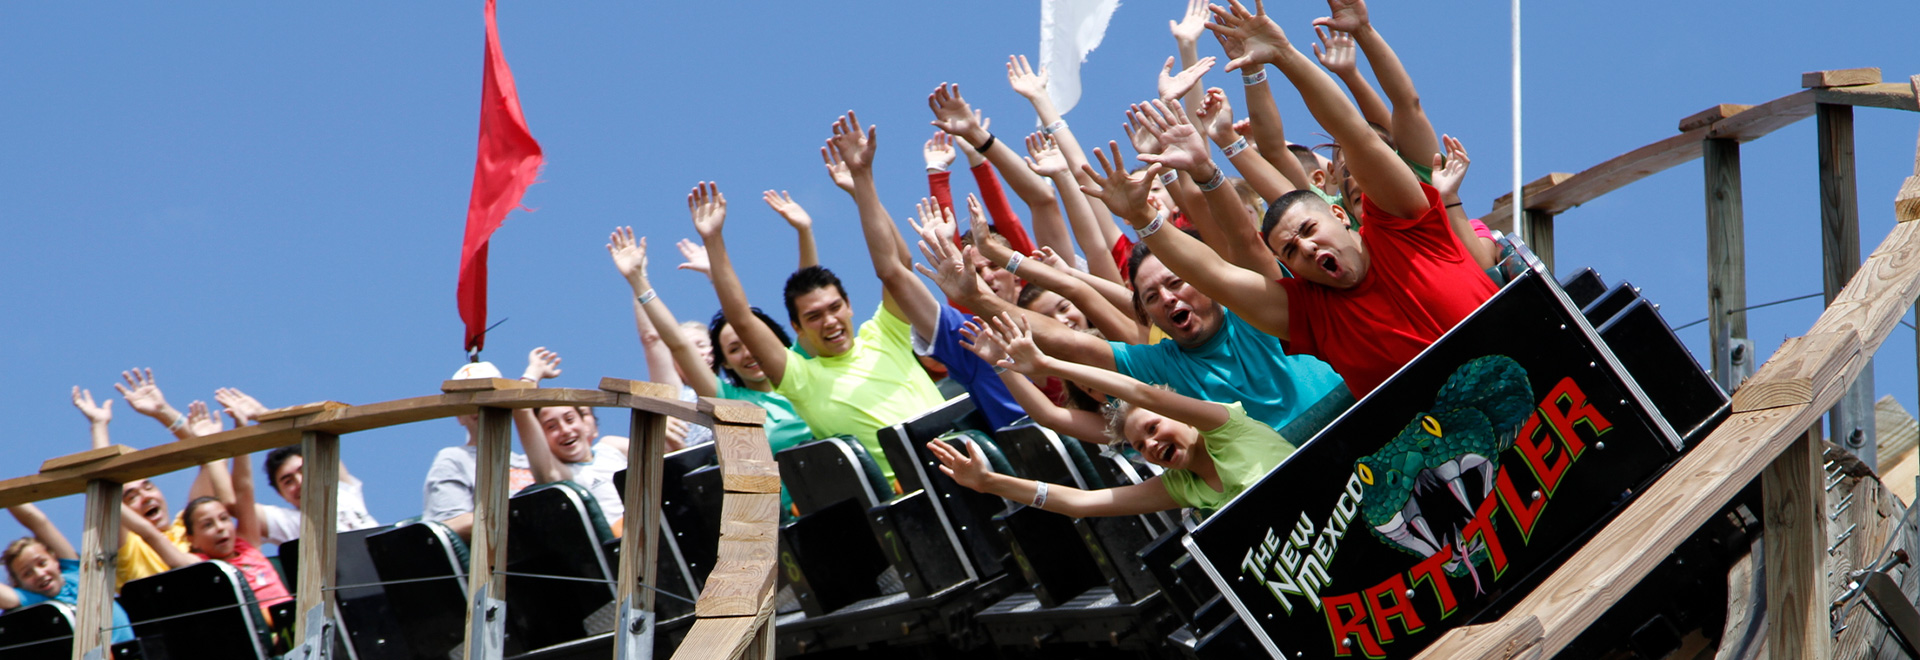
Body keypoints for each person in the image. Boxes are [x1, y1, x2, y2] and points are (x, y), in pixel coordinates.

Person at [1071, 3, 1495, 398]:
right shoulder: (1312, 314)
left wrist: (1285, 55)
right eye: (1290, 251)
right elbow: (1215, 275)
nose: (1307, 248)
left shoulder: (1406, 225)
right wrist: (1142, 216)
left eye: (1309, 231)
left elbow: (1357, 134)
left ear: (1338, 212)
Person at [919, 217, 1348, 437]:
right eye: (1151, 297)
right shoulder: (1161, 366)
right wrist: (977, 299)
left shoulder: (1259, 309)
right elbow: (1070, 340)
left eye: (1175, 283)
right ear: (1145, 315)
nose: (1167, 299)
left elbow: (1243, 236)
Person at [694, 173, 945, 482]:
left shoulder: (884, 332)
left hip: (968, 457)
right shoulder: (801, 378)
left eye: (835, 308)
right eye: (813, 317)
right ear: (797, 327)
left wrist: (861, 187)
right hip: (911, 494)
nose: (829, 321)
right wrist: (713, 240)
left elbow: (898, 265)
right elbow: (742, 321)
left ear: (849, 305)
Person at [930, 314, 1294, 515]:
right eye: (1140, 444)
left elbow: (1139, 391)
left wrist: (1045, 363)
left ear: (1183, 416)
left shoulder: (1225, 425)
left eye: (1153, 427)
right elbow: (1082, 503)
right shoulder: (1180, 486)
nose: (1150, 444)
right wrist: (991, 482)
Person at [609, 226, 815, 518]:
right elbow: (676, 345)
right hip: (792, 525)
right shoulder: (730, 401)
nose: (748, 352)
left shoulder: (801, 365)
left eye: (751, 339)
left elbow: (809, 296)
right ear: (725, 363)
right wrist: (638, 282)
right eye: (733, 349)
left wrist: (803, 230)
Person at [421, 350, 572, 540]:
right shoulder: (454, 459)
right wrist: (521, 519)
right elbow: (448, 525)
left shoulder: (526, 462)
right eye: (468, 400)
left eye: (490, 395)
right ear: (459, 416)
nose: (481, 406)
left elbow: (561, 481)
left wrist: (532, 375)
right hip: (498, 562)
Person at [216, 388, 380, 545]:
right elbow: (233, 502)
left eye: (304, 471)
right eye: (288, 481)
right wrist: (218, 450)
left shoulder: (343, 493)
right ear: (282, 495)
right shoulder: (289, 523)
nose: (300, 482)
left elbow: (321, 444)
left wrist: (263, 414)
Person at [0, 504, 135, 643]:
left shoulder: (77, 573)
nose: (39, 574)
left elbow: (38, 522)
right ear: (19, 585)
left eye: (42, 563)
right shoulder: (36, 601)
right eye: (27, 574)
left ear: (55, 560)